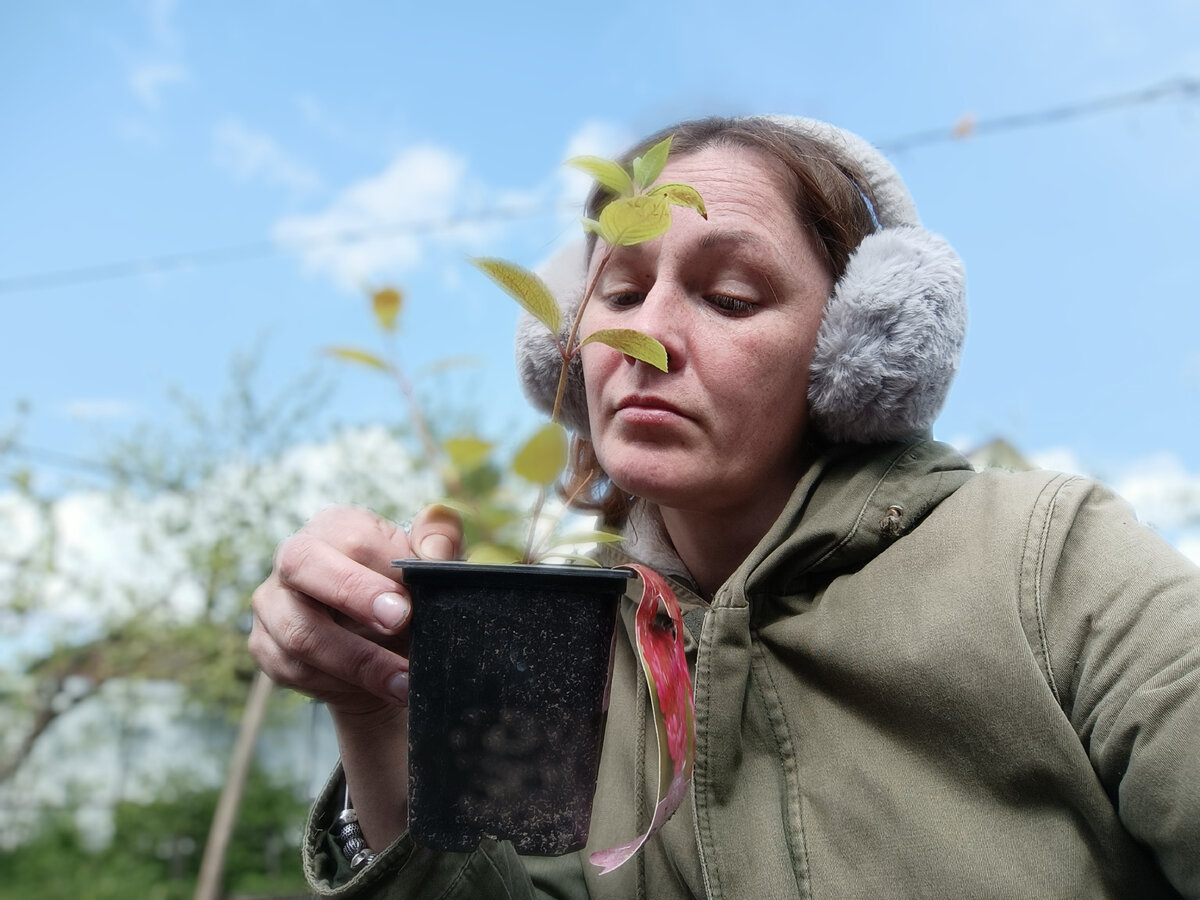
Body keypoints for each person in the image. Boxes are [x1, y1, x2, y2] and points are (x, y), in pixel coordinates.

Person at [249, 115, 1200, 899]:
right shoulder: (543, 653)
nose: (646, 335)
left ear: (859, 346)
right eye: (618, 292)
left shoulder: (1049, 560)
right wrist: (375, 707)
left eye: (730, 297)